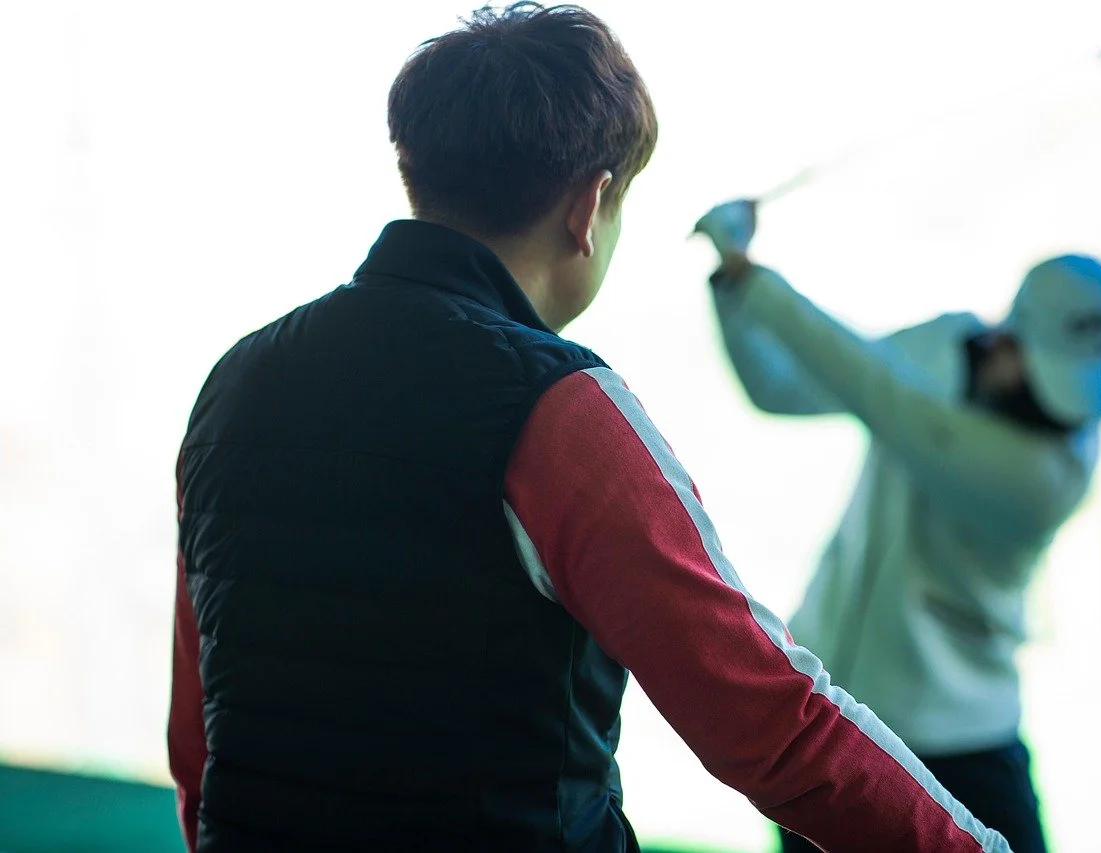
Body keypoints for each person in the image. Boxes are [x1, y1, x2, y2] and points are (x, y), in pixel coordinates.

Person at [167, 5, 1011, 852]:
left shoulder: (236, 383)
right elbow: (771, 720)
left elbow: (203, 737)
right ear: (591, 205)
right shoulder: (556, 407)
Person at [693, 199, 1101, 853]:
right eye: (1052, 376)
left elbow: (884, 398)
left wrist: (756, 279)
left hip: (962, 744)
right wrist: (732, 285)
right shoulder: (944, 343)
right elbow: (778, 388)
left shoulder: (1050, 475)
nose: (1069, 410)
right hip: (828, 721)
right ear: (1006, 337)